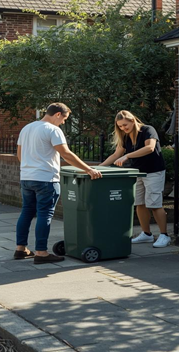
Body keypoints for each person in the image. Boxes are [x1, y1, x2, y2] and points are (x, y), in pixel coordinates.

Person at [15, 102, 102, 264]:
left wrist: (30, 168)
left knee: (26, 212)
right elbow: (66, 154)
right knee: (44, 214)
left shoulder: (27, 128)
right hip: (46, 179)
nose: (63, 122)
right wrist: (88, 169)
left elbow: (19, 154)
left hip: (26, 177)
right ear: (57, 114)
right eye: (64, 119)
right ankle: (41, 252)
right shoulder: (53, 130)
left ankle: (20, 250)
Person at [100, 110, 170, 248]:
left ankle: (164, 235)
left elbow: (149, 148)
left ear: (132, 120)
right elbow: (116, 155)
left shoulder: (148, 130)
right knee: (139, 204)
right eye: (120, 126)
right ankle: (146, 234)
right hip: (137, 172)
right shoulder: (125, 137)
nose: (123, 128)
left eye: (125, 125)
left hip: (154, 171)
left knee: (154, 204)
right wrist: (98, 168)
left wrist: (127, 156)